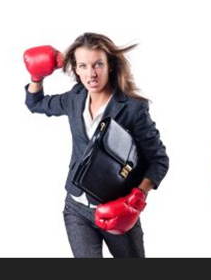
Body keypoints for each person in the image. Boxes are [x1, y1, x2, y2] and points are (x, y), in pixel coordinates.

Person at [23, 32, 169, 258]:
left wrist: (138, 196)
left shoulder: (132, 107)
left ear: (109, 65)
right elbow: (36, 103)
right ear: (76, 69)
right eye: (83, 65)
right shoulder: (75, 97)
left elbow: (159, 160)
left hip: (116, 209)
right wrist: (36, 76)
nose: (91, 73)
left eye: (98, 64)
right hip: (76, 207)